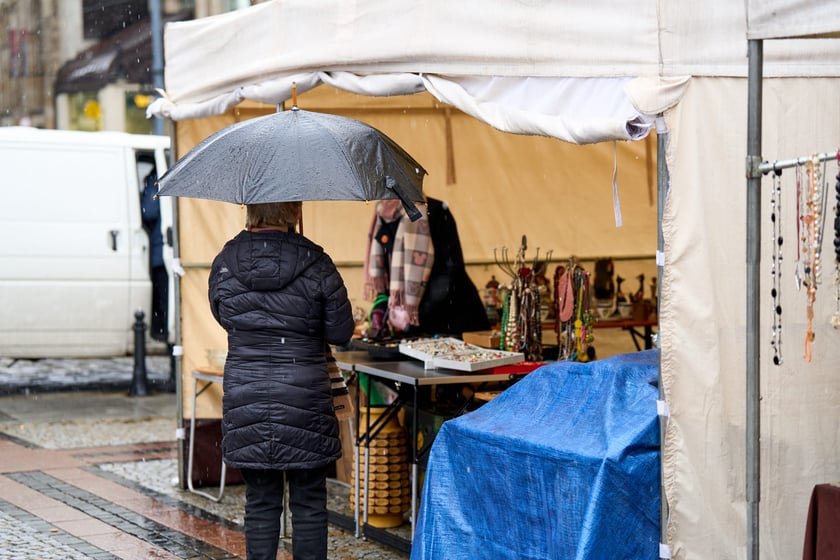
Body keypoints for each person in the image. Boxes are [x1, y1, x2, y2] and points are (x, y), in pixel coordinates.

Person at [208, 201, 355, 560]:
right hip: (306, 397)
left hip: (248, 395)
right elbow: (341, 332)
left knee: (260, 501)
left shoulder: (225, 262)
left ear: (250, 210)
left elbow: (223, 315)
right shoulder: (317, 262)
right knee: (308, 502)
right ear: (294, 212)